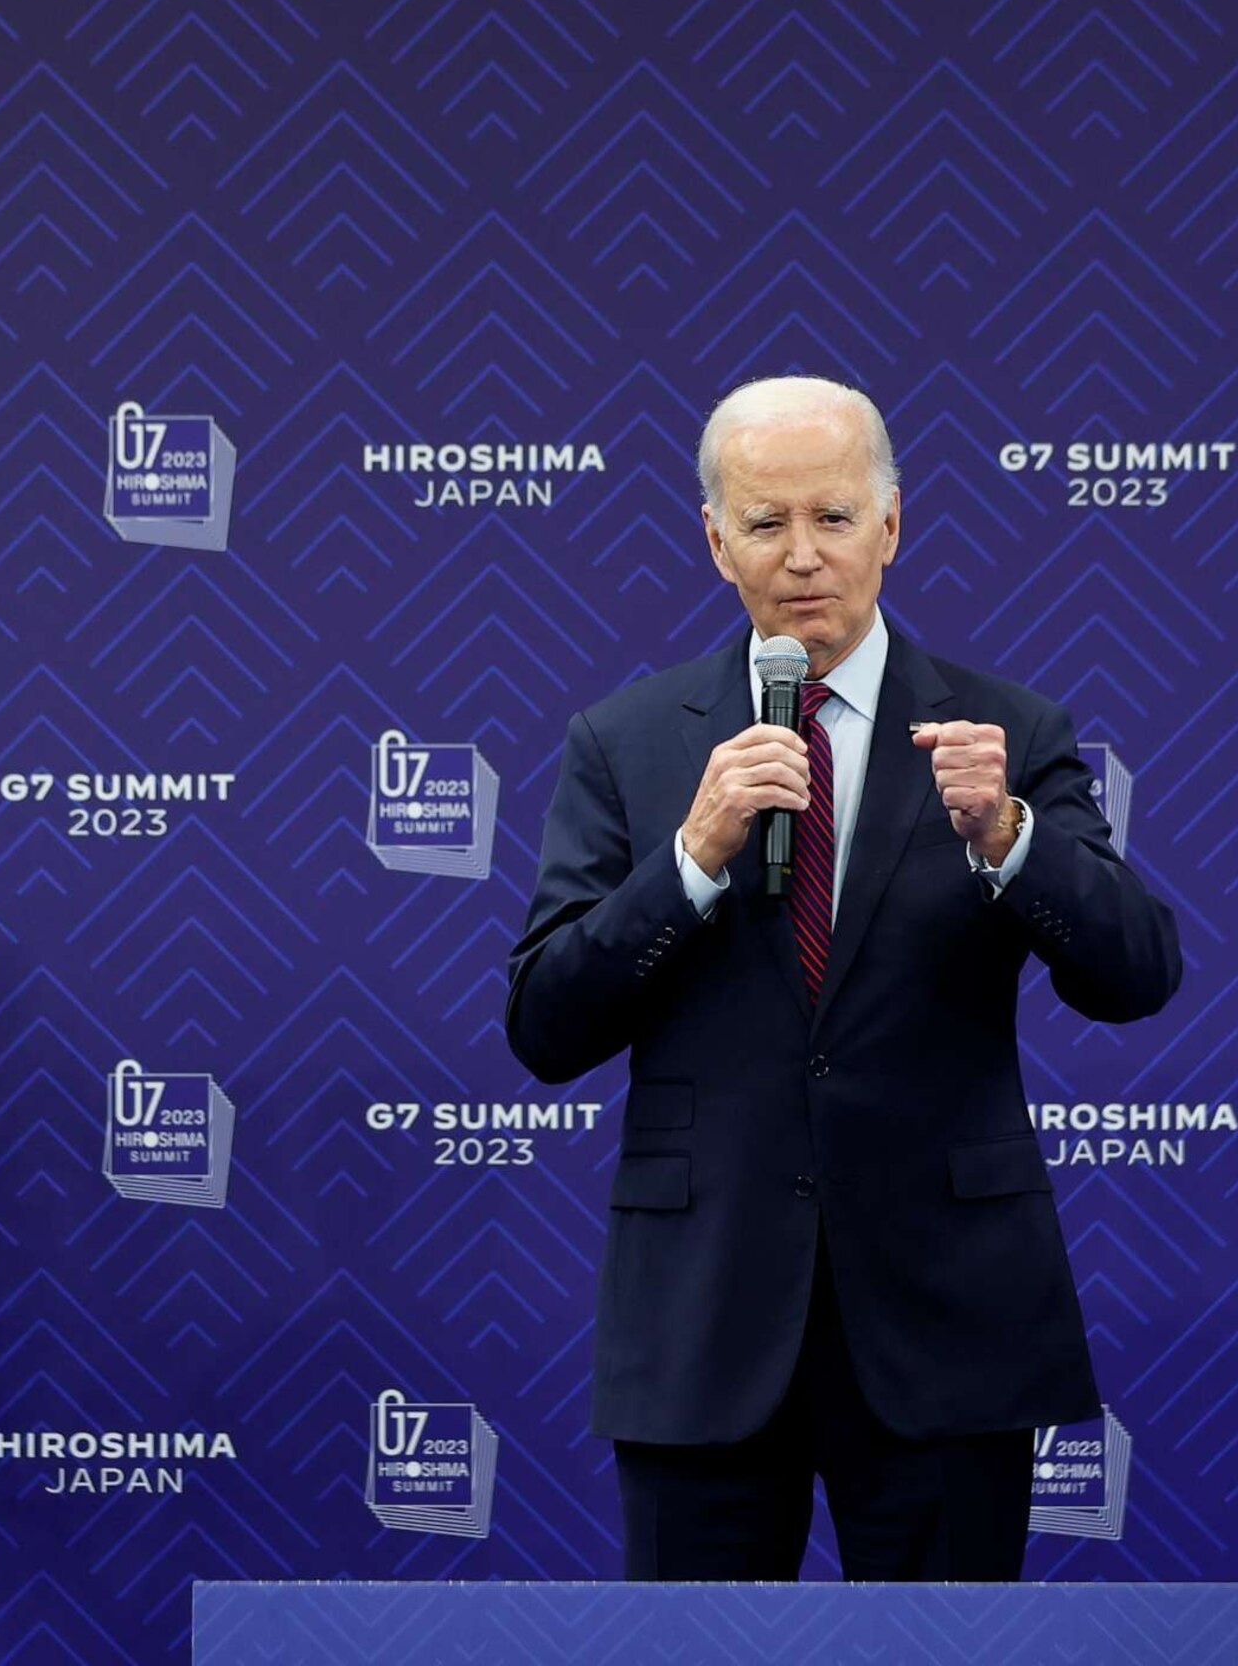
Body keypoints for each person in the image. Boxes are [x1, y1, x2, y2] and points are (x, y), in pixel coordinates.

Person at [504, 374, 1180, 1582]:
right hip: (705, 1321)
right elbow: (546, 1021)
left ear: (893, 525)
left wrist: (1013, 839)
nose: (804, 555)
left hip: (948, 1320)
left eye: (834, 516)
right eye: (767, 523)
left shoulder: (1004, 732)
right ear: (716, 541)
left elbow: (1137, 973)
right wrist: (690, 859)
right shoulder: (631, 741)